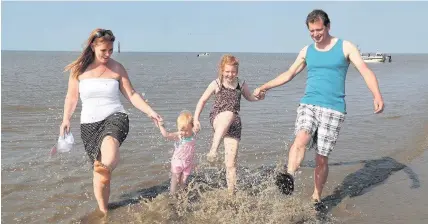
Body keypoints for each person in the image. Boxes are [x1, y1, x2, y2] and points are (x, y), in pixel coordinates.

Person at [253, 9, 385, 209]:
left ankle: (316, 196)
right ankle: (288, 176)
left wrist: (376, 95)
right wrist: (265, 86)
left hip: (334, 109)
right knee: (301, 137)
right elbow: (289, 73)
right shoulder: (307, 51)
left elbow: (365, 70)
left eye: (318, 29)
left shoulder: (345, 47)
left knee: (321, 158)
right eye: (311, 31)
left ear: (328, 26)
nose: (315, 34)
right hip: (309, 104)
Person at [60, 28, 163, 215]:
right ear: (93, 46)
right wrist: (66, 119)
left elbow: (131, 94)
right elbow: (71, 97)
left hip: (115, 117)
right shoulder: (78, 70)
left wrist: (150, 112)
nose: (107, 54)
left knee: (110, 144)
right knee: (101, 178)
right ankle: (104, 212)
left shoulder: (117, 68)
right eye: (103, 51)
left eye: (110, 50)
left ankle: (105, 166)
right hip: (89, 125)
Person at [193, 54, 265, 195]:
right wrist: (196, 119)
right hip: (218, 117)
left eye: (233, 72)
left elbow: (250, 97)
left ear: (237, 71)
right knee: (229, 114)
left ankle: (231, 194)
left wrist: (259, 98)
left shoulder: (241, 84)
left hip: (234, 124)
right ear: (222, 70)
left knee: (231, 164)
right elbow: (202, 101)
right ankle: (213, 150)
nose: (230, 75)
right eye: (227, 71)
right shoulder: (216, 83)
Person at [158, 111, 196, 195]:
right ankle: (172, 194)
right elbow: (166, 135)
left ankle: (183, 196)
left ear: (192, 128)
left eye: (186, 130)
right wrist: (161, 125)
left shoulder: (193, 134)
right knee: (175, 179)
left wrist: (196, 121)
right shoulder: (179, 136)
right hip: (177, 162)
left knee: (183, 181)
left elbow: (197, 127)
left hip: (188, 163)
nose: (184, 133)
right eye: (181, 130)